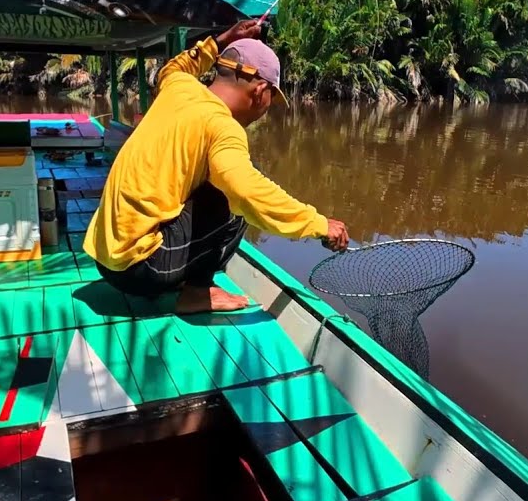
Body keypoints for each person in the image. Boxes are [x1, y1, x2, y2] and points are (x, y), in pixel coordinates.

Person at [85, 20, 349, 314]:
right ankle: (196, 292)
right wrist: (320, 225)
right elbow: (249, 194)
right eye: (270, 101)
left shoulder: (179, 86)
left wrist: (223, 39)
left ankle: (181, 276)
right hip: (139, 269)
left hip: (103, 254)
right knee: (235, 196)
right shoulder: (223, 127)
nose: (265, 111)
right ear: (261, 90)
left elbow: (173, 67)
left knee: (221, 179)